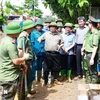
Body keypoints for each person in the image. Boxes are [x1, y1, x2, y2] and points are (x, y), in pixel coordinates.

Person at [0, 22, 28, 100]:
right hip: (9, 76)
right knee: (8, 97)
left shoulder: (4, 40)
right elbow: (15, 61)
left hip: (4, 73)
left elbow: (7, 58)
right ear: (14, 32)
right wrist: (25, 58)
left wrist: (22, 65)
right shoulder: (10, 43)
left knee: (6, 96)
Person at [38, 22, 64, 87]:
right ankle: (46, 82)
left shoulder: (59, 35)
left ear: (56, 28)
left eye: (54, 27)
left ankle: (55, 80)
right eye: (51, 27)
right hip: (47, 53)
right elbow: (40, 39)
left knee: (56, 67)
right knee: (46, 68)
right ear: (49, 28)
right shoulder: (46, 34)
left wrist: (60, 46)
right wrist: (40, 40)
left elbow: (62, 43)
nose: (52, 28)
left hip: (56, 53)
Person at [17, 20, 36, 95]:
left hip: (29, 60)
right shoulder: (23, 37)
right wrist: (22, 61)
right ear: (29, 27)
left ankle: (26, 92)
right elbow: (20, 49)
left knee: (29, 77)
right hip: (26, 61)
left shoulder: (27, 35)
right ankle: (22, 95)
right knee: (24, 79)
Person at [81, 16, 99, 83]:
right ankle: (88, 83)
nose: (87, 25)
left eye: (88, 24)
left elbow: (95, 47)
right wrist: (83, 48)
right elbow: (86, 40)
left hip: (92, 54)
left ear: (91, 25)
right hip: (87, 52)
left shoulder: (95, 34)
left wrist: (92, 58)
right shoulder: (89, 32)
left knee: (93, 71)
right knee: (88, 69)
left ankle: (94, 87)